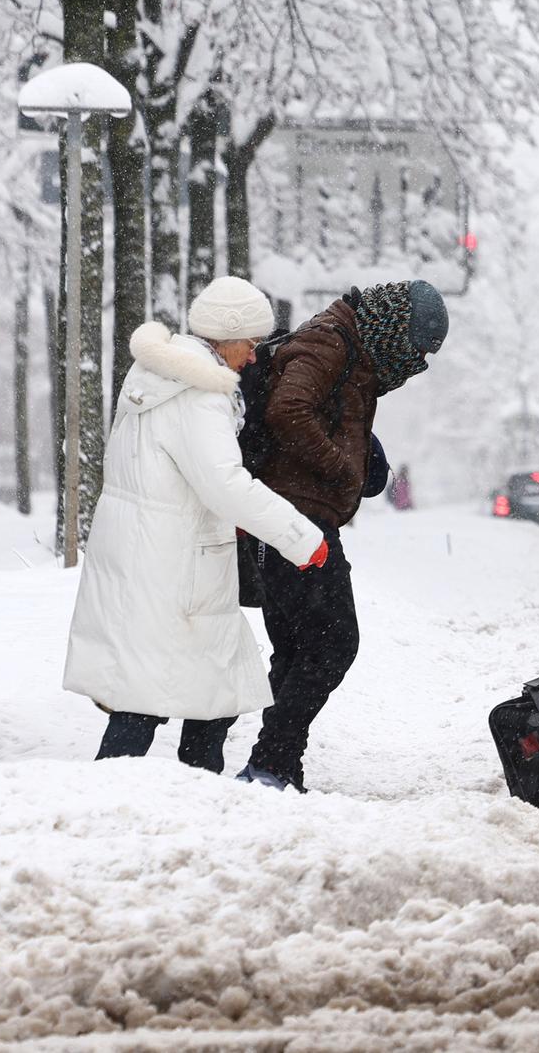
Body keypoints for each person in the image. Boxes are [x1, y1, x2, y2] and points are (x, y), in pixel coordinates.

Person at [64, 279, 330, 772]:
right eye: (250, 345)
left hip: (147, 554)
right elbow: (225, 485)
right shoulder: (200, 395)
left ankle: (189, 790)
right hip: (174, 564)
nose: (253, 358)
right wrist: (302, 538)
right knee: (153, 698)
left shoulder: (155, 377)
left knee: (198, 690)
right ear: (226, 338)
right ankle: (120, 796)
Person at [240, 280, 450, 790]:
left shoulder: (351, 346)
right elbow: (287, 411)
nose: (414, 364)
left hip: (293, 516)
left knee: (297, 648)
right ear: (395, 328)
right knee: (335, 642)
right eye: (414, 350)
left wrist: (361, 455)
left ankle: (277, 766)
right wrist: (342, 469)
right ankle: (271, 761)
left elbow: (319, 410)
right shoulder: (331, 342)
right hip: (292, 519)